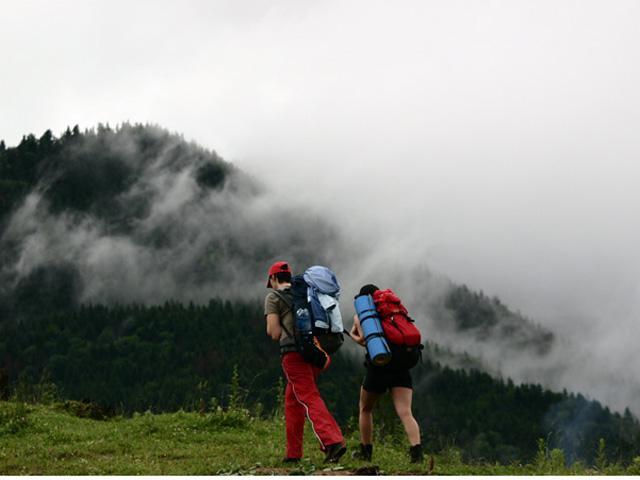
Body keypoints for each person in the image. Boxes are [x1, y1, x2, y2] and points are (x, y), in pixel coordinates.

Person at [264, 261, 346, 463]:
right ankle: (293, 454)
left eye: (270, 281)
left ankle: (333, 441)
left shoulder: (274, 297)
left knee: (308, 396)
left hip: (293, 355)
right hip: (315, 352)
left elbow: (274, 332)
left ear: (273, 278)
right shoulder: (306, 293)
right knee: (293, 400)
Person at [349, 283, 424, 463]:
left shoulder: (364, 315)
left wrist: (352, 335)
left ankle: (366, 452)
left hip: (380, 366)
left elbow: (364, 340)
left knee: (365, 408)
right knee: (405, 412)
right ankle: (417, 454)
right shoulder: (395, 310)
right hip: (401, 365)